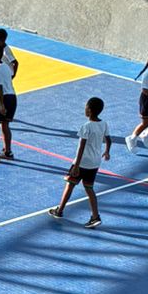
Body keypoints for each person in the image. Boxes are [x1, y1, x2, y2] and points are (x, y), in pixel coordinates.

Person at [50, 95, 111, 225]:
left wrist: (76, 165)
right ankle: (95, 216)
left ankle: (59, 211)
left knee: (70, 185)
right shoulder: (104, 124)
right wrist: (107, 151)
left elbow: (81, 147)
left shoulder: (86, 126)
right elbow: (108, 140)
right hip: (95, 163)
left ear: (89, 110)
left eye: (86, 108)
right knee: (89, 188)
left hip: (82, 162)